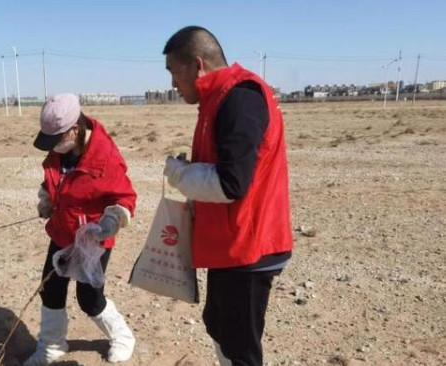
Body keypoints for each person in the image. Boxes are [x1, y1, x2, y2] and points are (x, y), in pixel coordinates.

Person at [162, 26, 294, 366]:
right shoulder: (216, 98)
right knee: (217, 326)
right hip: (229, 244)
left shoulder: (240, 97)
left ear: (196, 65)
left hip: (250, 247)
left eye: (174, 73)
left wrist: (182, 176)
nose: (173, 85)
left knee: (241, 350)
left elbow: (232, 183)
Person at [24, 93, 137, 365]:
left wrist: (111, 222)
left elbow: (124, 198)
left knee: (88, 297)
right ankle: (51, 347)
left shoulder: (106, 157)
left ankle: (122, 336)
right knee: (50, 288)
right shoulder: (58, 151)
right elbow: (50, 182)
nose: (53, 147)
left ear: (74, 129)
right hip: (63, 231)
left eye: (57, 140)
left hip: (92, 238)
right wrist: (46, 201)